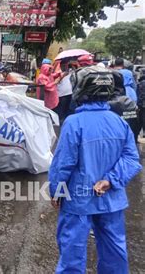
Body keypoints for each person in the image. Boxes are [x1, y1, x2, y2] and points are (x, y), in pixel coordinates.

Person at [49, 65, 141, 274]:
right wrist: (110, 179)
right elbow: (131, 158)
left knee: (72, 253)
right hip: (112, 199)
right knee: (114, 252)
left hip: (78, 201)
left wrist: (56, 191)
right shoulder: (119, 122)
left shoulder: (74, 123)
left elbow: (63, 164)